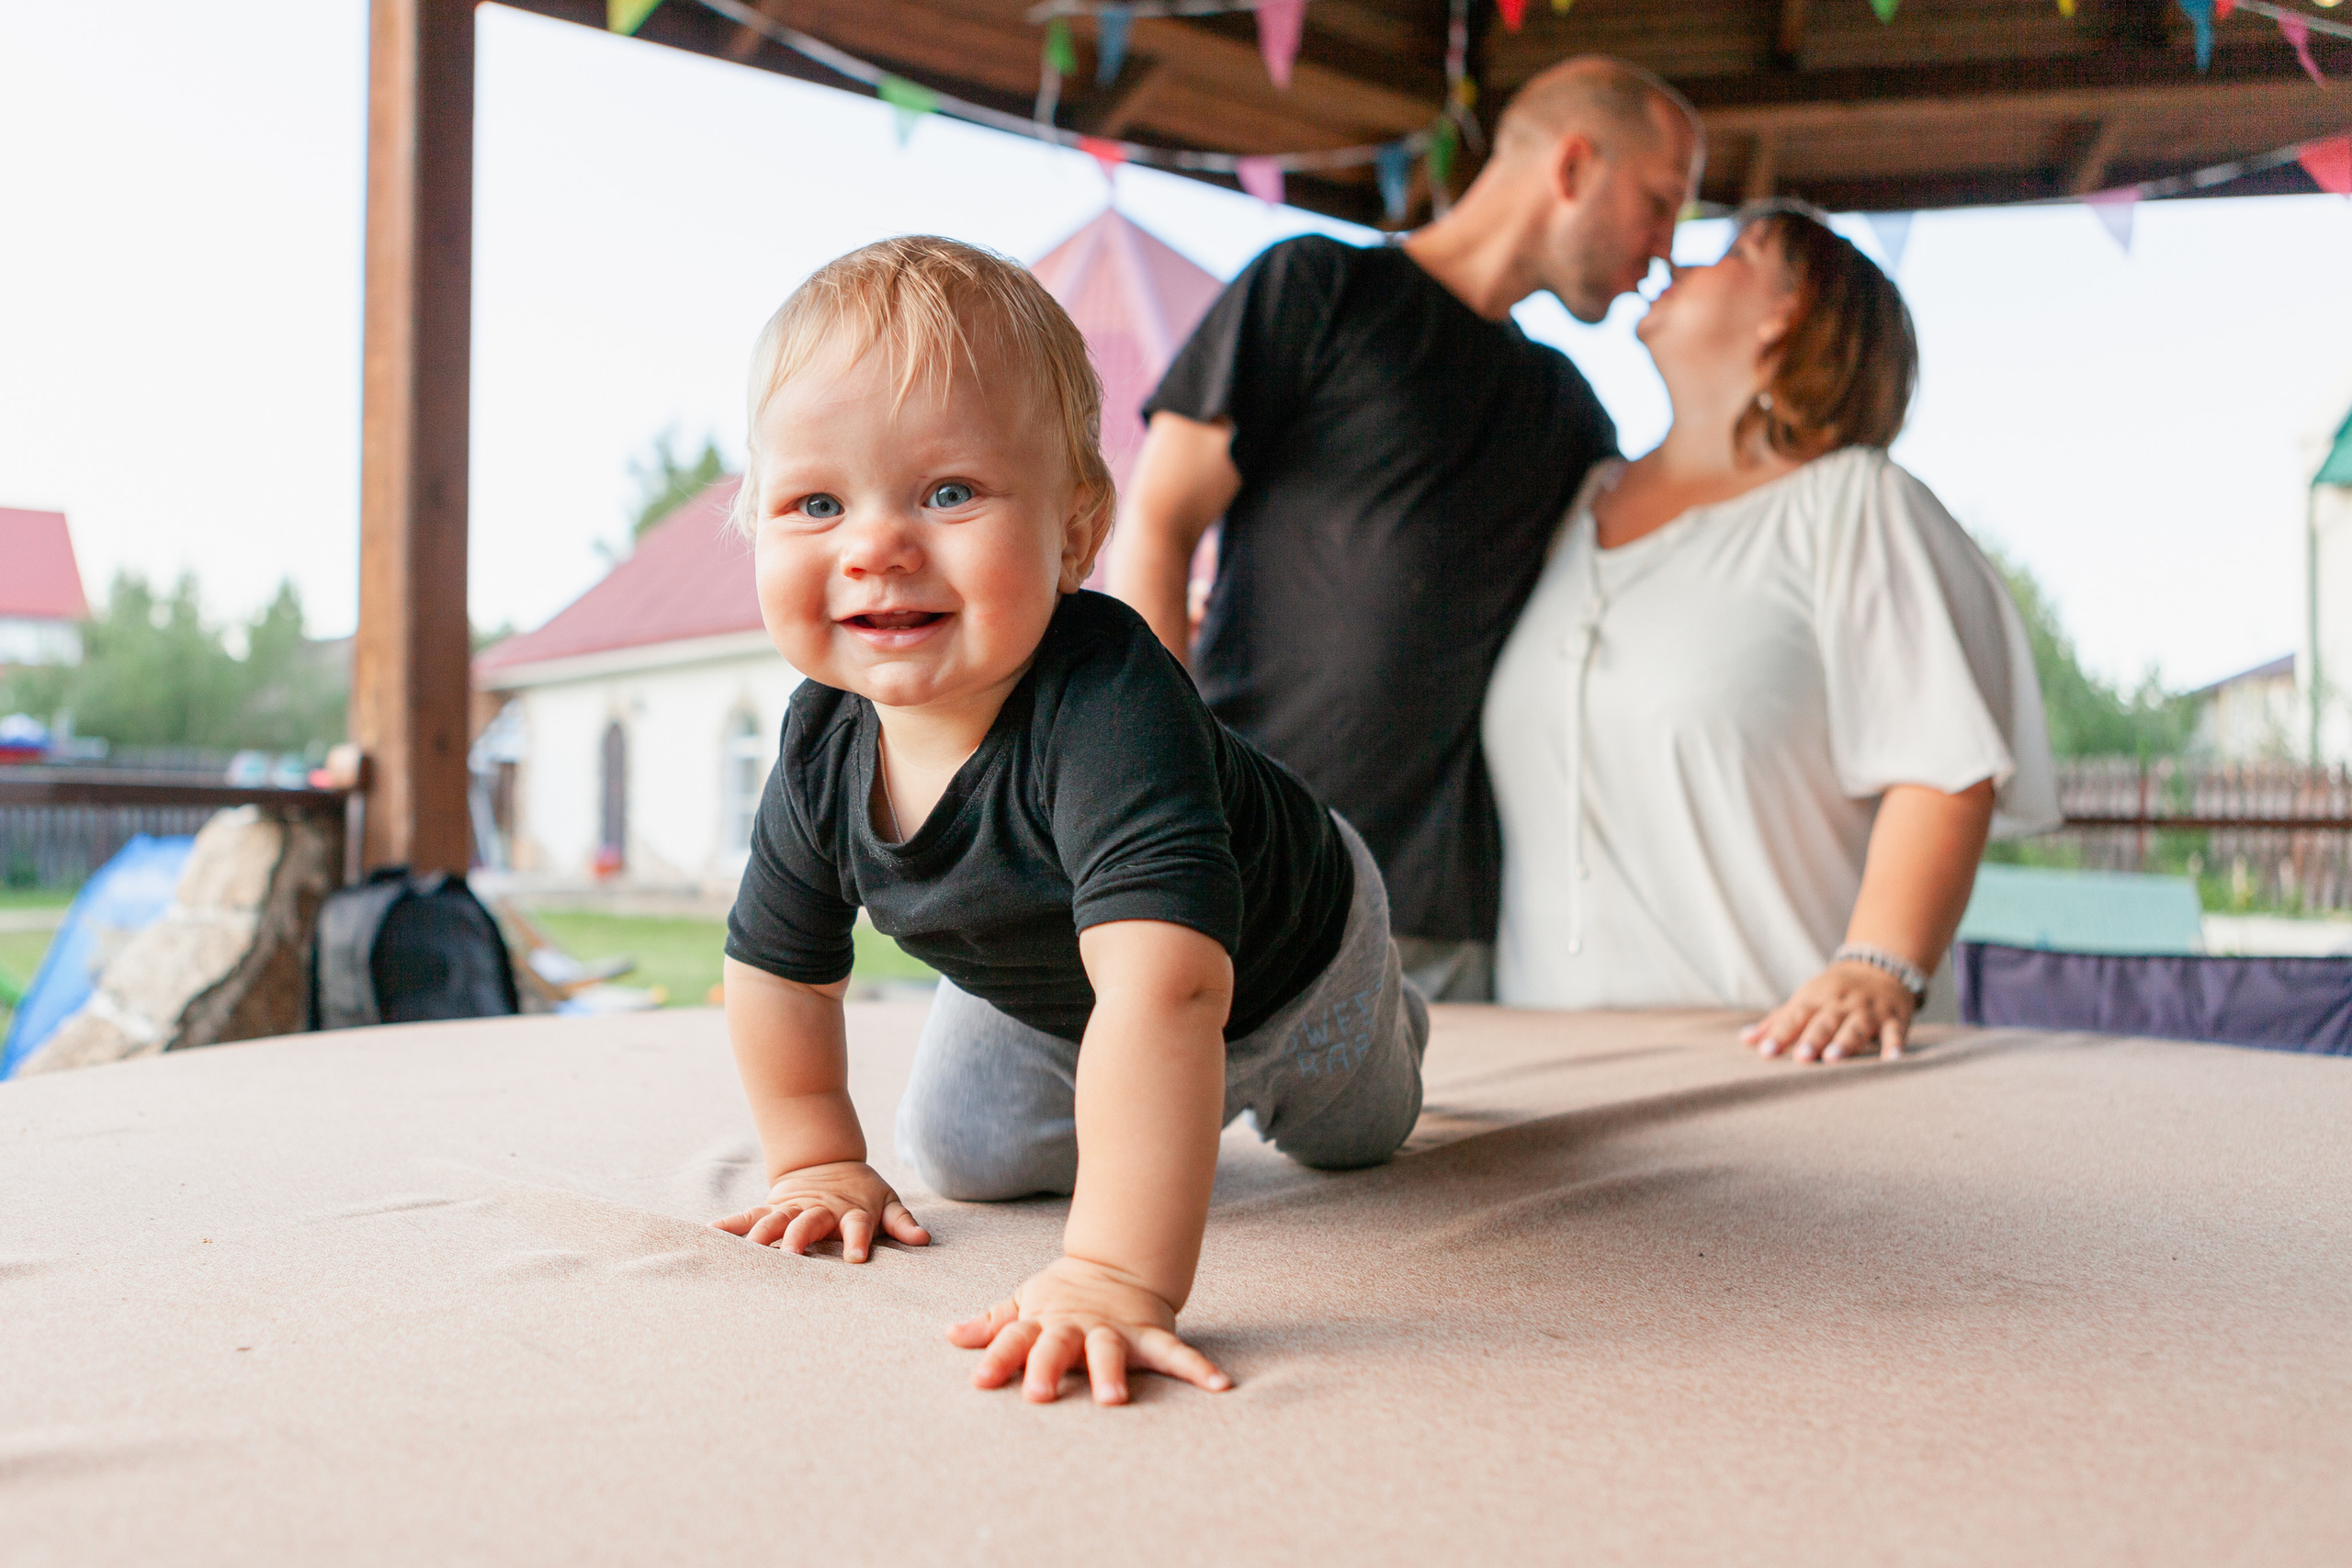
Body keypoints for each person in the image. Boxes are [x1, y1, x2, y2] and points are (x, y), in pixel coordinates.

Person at [708, 237, 1429, 1406]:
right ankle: (1141, 1096)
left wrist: (1109, 1274)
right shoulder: (819, 743)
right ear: (755, 523)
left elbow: (1171, 991)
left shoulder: (1109, 700)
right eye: (816, 502)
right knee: (964, 1158)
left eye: (949, 493)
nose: (877, 545)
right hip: (1069, 982)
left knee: (1358, 1142)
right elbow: (778, 975)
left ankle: (1393, 1010)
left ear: (1076, 531)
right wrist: (820, 1159)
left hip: (1284, 961)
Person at [1108, 57, 1702, 1003]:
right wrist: (1161, 798)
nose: (1666, 248)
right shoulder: (1315, 286)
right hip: (1237, 875)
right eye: (1662, 202)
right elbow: (1156, 521)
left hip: (1437, 928)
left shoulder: (1571, 412)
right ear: (1574, 165)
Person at [1482, 203, 2063, 1061]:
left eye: (1733, 253)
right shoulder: (1577, 503)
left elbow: (1944, 769)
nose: (1675, 260)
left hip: (1775, 1072)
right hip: (1546, 1080)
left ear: (1785, 314)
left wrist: (1879, 966)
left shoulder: (1854, 503)